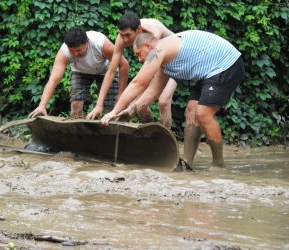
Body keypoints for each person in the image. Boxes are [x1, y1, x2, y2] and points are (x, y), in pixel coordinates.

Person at [101, 31, 245, 170]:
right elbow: (152, 92)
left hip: (226, 65)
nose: (139, 59)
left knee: (203, 113)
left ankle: (218, 165)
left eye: (139, 54)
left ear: (149, 46)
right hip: (208, 72)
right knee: (191, 110)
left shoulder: (158, 50)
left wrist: (114, 111)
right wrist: (127, 113)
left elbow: (138, 83)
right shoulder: (163, 60)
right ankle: (186, 163)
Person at [86, 12, 177, 128]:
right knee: (137, 104)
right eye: (121, 34)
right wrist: (99, 105)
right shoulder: (121, 38)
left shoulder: (154, 33)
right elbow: (111, 70)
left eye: (128, 35)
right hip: (156, 64)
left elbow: (147, 75)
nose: (124, 39)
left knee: (163, 102)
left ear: (139, 29)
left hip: (175, 62)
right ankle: (149, 134)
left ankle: (165, 140)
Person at [29, 27, 128, 118]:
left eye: (78, 50)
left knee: (111, 106)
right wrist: (42, 105)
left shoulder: (101, 44)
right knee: (76, 103)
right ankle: (77, 134)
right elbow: (53, 80)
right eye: (72, 51)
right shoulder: (64, 51)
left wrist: (120, 94)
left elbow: (124, 64)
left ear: (87, 42)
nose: (75, 54)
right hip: (80, 71)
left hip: (106, 71)